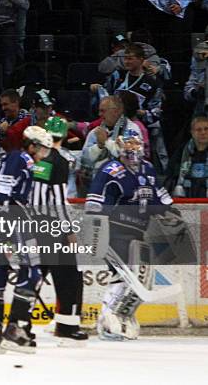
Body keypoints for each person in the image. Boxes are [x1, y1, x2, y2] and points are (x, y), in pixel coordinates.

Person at [85, 129, 174, 340]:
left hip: (138, 233)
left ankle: (124, 316)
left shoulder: (149, 169)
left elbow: (160, 202)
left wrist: (170, 220)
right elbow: (94, 205)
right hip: (115, 231)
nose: (132, 148)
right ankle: (107, 320)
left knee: (141, 281)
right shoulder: (110, 170)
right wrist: (97, 236)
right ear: (119, 146)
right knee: (123, 278)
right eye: (128, 144)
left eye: (135, 143)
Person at [0, 126, 53, 353]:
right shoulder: (19, 158)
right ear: (31, 145)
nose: (44, 154)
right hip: (14, 220)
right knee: (31, 270)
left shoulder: (19, 159)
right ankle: (12, 330)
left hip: (3, 220)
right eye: (42, 149)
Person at [39, 116, 87, 344]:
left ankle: (16, 323)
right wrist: (68, 230)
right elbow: (58, 201)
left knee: (32, 277)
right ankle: (67, 327)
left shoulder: (38, 158)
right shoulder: (58, 160)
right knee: (70, 278)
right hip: (54, 228)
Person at [92, 43, 166, 172]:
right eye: (125, 58)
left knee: (136, 159)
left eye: (130, 58)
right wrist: (98, 88)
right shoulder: (117, 76)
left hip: (140, 126)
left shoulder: (152, 83)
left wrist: (143, 113)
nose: (126, 61)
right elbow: (106, 97)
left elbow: (157, 111)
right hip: (113, 125)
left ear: (141, 60)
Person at [79, 95, 143, 195]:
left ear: (116, 111)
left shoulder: (132, 129)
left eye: (103, 111)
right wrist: (98, 146)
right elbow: (84, 160)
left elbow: (132, 158)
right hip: (99, 186)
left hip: (125, 187)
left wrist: (107, 142)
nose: (99, 114)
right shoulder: (96, 132)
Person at [169, 116, 208, 198]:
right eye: (199, 130)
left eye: (206, 129)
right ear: (192, 132)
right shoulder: (182, 151)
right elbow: (171, 176)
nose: (203, 132)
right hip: (187, 196)